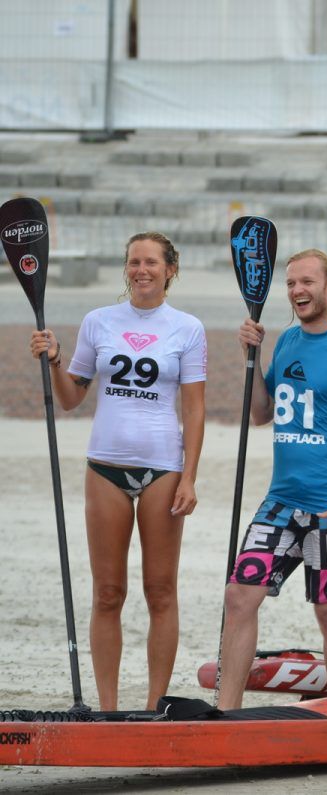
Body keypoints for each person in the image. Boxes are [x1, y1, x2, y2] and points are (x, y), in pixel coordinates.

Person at [29, 232, 205, 711]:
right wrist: (56, 360)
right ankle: (107, 709)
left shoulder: (187, 328)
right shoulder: (98, 322)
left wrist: (189, 476)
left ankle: (153, 707)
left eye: (150, 262)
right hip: (105, 467)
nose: (140, 270)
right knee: (108, 592)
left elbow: (194, 410)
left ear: (171, 269)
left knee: (160, 591)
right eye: (133, 262)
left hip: (163, 470)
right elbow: (70, 398)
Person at [218, 249, 327, 710]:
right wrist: (252, 358)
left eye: (307, 282)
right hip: (282, 502)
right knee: (239, 596)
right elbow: (263, 413)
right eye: (290, 284)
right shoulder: (286, 342)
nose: (297, 291)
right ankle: (225, 713)